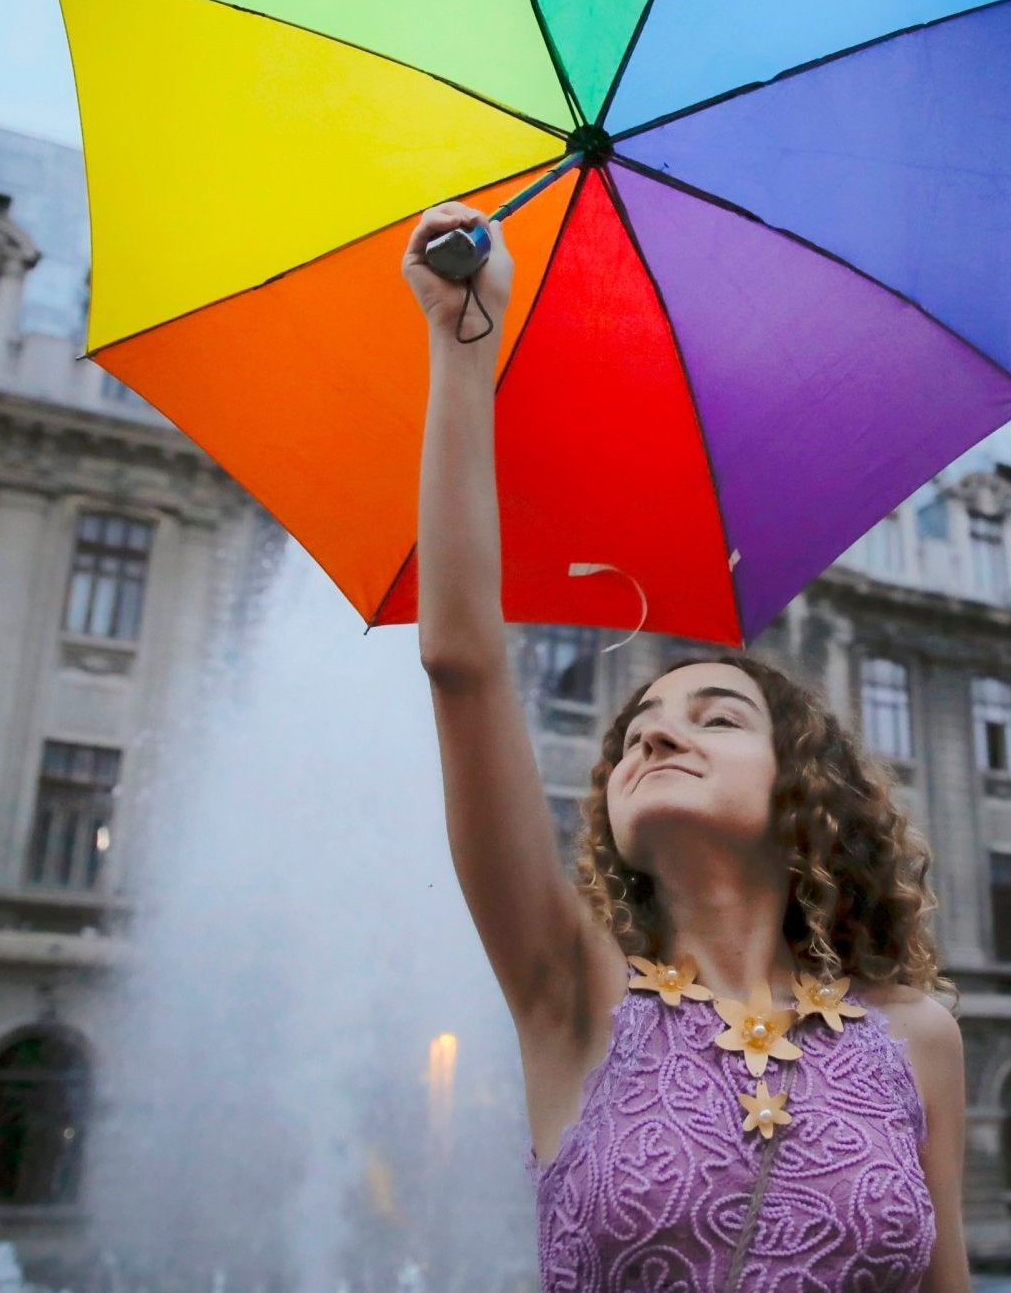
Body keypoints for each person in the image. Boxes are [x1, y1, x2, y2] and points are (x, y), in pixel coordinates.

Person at [401, 202, 969, 1293]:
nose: (658, 726)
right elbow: (462, 662)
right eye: (634, 733)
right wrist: (462, 345)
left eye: (716, 714)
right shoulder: (570, 989)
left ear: (802, 793)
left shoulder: (918, 1036)